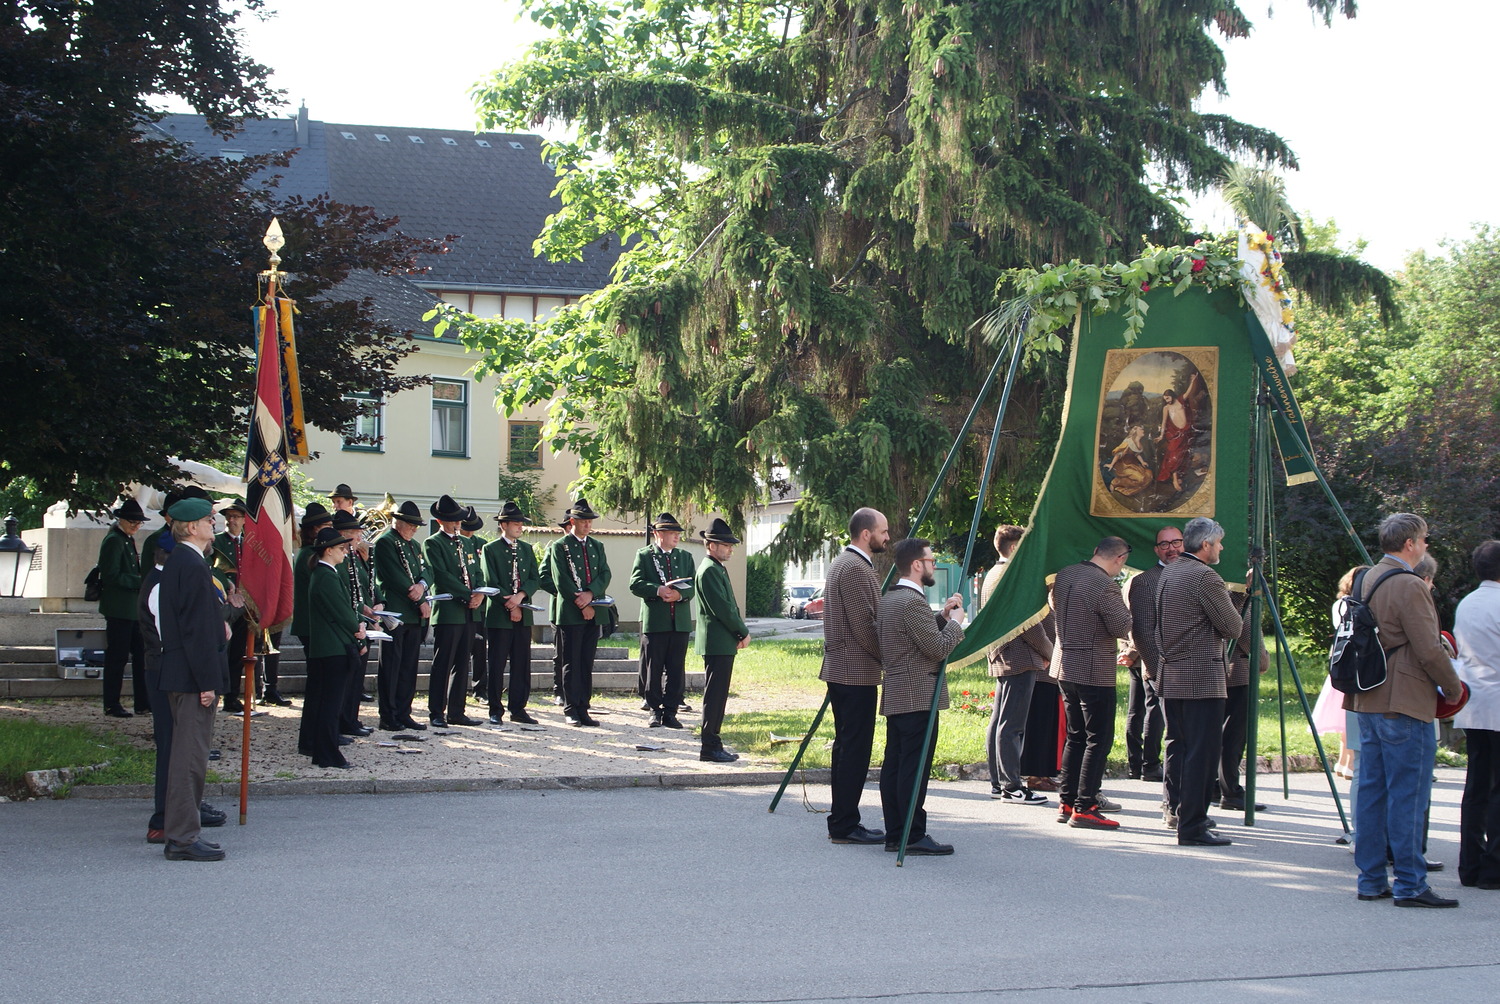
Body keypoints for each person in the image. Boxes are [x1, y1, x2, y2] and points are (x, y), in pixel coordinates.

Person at [1346, 513, 1463, 906]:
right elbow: (1429, 648)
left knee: (1373, 791)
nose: (1426, 545)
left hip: (1368, 696)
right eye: (1425, 539)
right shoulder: (1410, 584)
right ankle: (1411, 883)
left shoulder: (1366, 577)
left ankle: (1371, 879)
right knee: (1408, 794)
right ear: (1410, 543)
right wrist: (1453, 688)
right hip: (1404, 699)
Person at [1155, 517, 1243, 847]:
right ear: (1205, 544)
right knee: (1201, 753)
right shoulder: (1204, 576)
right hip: (1201, 676)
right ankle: (1192, 824)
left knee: (1179, 747)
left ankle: (1182, 814)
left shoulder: (1171, 571)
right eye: (1218, 543)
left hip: (1173, 673)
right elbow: (1233, 627)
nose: (1221, 548)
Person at [877, 537, 964, 855]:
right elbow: (937, 649)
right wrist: (956, 625)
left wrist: (942, 617)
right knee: (913, 768)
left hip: (900, 691)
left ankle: (895, 832)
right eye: (930, 561)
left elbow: (913, 637)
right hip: (917, 694)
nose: (934, 566)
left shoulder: (891, 598)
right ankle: (912, 835)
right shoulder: (912, 602)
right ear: (917, 564)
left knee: (896, 765)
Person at [155, 496, 230, 861]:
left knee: (188, 758)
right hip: (190, 677)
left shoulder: (182, 561)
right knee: (189, 760)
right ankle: (183, 838)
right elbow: (195, 631)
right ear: (192, 527)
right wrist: (206, 683)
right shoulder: (191, 564)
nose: (213, 524)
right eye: (208, 519)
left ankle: (182, 833)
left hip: (183, 673)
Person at [139, 532, 225, 845]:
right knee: (176, 749)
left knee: (181, 749)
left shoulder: (167, 580)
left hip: (173, 670)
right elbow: (177, 634)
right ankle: (165, 820)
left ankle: (180, 814)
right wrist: (204, 679)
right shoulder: (161, 584)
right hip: (169, 672)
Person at [1049, 537, 1133, 830]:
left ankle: (1067, 801)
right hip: (1093, 668)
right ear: (1120, 559)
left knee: (1075, 736)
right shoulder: (1105, 585)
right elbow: (1121, 626)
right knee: (1098, 738)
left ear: (1096, 551)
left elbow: (1053, 604)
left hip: (1064, 663)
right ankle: (1086, 806)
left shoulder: (1065, 574)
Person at [819, 507, 890, 846]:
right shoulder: (855, 568)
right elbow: (865, 627)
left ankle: (843, 820)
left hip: (846, 669)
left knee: (848, 747)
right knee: (854, 750)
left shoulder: (846, 563)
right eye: (883, 531)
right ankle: (845, 824)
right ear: (866, 534)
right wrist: (890, 658)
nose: (887, 537)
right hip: (854, 672)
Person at [981, 525, 1054, 804]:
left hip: (1004, 654)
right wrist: (1049, 652)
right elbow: (1027, 623)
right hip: (1019, 656)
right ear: (1013, 548)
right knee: (1012, 725)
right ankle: (1011, 786)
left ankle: (998, 782)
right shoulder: (1012, 576)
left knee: (1000, 720)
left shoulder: (993, 573)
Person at [1453, 540, 1500, 890]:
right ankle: (1493, 868)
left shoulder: (1468, 603)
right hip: (1497, 699)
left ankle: (1469, 864)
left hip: (1472, 701)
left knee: (1476, 786)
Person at [1118, 525, 1180, 783]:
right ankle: (1146, 763)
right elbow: (1139, 625)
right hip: (1149, 657)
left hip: (1163, 657)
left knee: (1145, 709)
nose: (1171, 549)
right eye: (1165, 544)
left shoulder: (1192, 574)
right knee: (1148, 709)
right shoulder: (1143, 581)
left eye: (1176, 543)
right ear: (1156, 549)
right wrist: (1134, 653)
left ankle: (1143, 764)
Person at [302, 525, 367, 769]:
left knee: (326, 702)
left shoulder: (325, 573)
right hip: (332, 648)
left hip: (330, 646)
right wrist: (358, 630)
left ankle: (322, 751)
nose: (344, 552)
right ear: (328, 551)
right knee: (330, 705)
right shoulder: (326, 575)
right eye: (341, 548)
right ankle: (328, 753)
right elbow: (342, 612)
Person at [423, 494, 485, 727]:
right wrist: (467, 593)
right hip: (449, 610)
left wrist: (479, 593)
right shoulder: (433, 543)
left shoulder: (467, 543)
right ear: (440, 521)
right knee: (443, 662)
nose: (458, 524)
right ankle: (436, 711)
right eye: (453, 520)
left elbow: (477, 571)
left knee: (462, 662)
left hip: (469, 610)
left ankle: (457, 711)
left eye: (459, 520)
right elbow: (441, 575)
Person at [480, 501, 545, 725]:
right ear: (504, 525)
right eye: (516, 523)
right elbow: (490, 581)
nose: (520, 527)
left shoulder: (526, 549)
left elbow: (534, 578)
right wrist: (511, 604)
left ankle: (518, 708)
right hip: (500, 615)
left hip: (523, 613)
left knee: (521, 664)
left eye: (521, 523)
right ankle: (495, 709)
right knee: (497, 664)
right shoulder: (490, 549)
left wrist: (521, 597)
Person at [630, 512, 697, 729]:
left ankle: (671, 711)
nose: (676, 536)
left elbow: (693, 586)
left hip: (680, 622)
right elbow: (635, 584)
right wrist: (657, 590)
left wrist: (680, 594)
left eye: (677, 533)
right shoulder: (644, 555)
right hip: (656, 621)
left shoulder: (685, 557)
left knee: (676, 669)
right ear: (658, 534)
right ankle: (654, 710)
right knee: (654, 668)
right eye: (671, 532)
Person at [548, 498, 611, 727]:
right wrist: (582, 604)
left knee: (586, 662)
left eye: (590, 521)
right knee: (571, 662)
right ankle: (571, 707)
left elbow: (605, 574)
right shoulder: (560, 546)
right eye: (583, 521)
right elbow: (560, 580)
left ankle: (584, 707)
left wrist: (591, 595)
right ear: (572, 522)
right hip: (571, 612)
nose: (587, 525)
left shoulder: (597, 546)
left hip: (594, 611)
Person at [372, 500, 431, 731]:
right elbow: (394, 576)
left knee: (408, 666)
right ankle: (388, 715)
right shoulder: (385, 542)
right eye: (411, 524)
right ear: (398, 522)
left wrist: (423, 585)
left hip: (414, 614)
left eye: (416, 525)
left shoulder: (415, 545)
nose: (414, 529)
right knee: (391, 666)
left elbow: (427, 570)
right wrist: (418, 597)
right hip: (396, 612)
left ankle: (404, 712)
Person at [693, 518, 749, 762]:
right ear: (711, 545)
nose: (730, 549)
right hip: (717, 641)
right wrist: (742, 632)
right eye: (725, 545)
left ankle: (713, 742)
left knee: (718, 694)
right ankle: (709, 745)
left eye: (730, 545)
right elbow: (723, 609)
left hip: (721, 641)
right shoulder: (709, 570)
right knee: (715, 695)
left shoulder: (715, 568)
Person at [1218, 574, 1268, 812]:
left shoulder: (1225, 598)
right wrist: (1263, 660)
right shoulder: (1239, 602)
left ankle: (1219, 785)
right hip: (1238, 674)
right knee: (1233, 737)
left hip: (1228, 673)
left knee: (1225, 735)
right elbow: (1249, 637)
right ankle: (1230, 790)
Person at [330, 509, 379, 739]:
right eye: (356, 533)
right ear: (343, 535)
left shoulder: (355, 556)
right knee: (348, 677)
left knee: (356, 677)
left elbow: (365, 585)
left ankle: (351, 718)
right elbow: (346, 593)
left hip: (361, 618)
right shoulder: (340, 559)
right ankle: (344, 721)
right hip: (351, 621)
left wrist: (376, 605)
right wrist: (362, 611)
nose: (360, 537)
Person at [97, 497, 147, 718]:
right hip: (119, 609)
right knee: (117, 658)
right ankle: (111, 703)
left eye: (138, 522)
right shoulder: (114, 541)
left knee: (141, 656)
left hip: (131, 609)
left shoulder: (126, 539)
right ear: (121, 520)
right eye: (132, 522)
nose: (136, 526)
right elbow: (111, 575)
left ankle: (142, 702)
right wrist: (139, 581)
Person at [214, 498, 252, 714]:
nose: (231, 520)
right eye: (229, 516)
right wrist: (228, 588)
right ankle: (216, 691)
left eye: (236, 517)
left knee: (238, 652)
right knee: (222, 649)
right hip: (225, 602)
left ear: (244, 520)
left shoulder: (250, 543)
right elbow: (213, 569)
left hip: (244, 604)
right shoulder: (218, 541)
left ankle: (232, 696)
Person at [460, 506, 490, 702]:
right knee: (461, 649)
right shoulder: (455, 543)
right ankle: (458, 689)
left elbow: (485, 573)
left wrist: (480, 594)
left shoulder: (482, 544)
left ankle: (480, 689)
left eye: (472, 529)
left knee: (480, 648)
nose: (469, 533)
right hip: (461, 602)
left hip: (481, 603)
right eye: (466, 529)